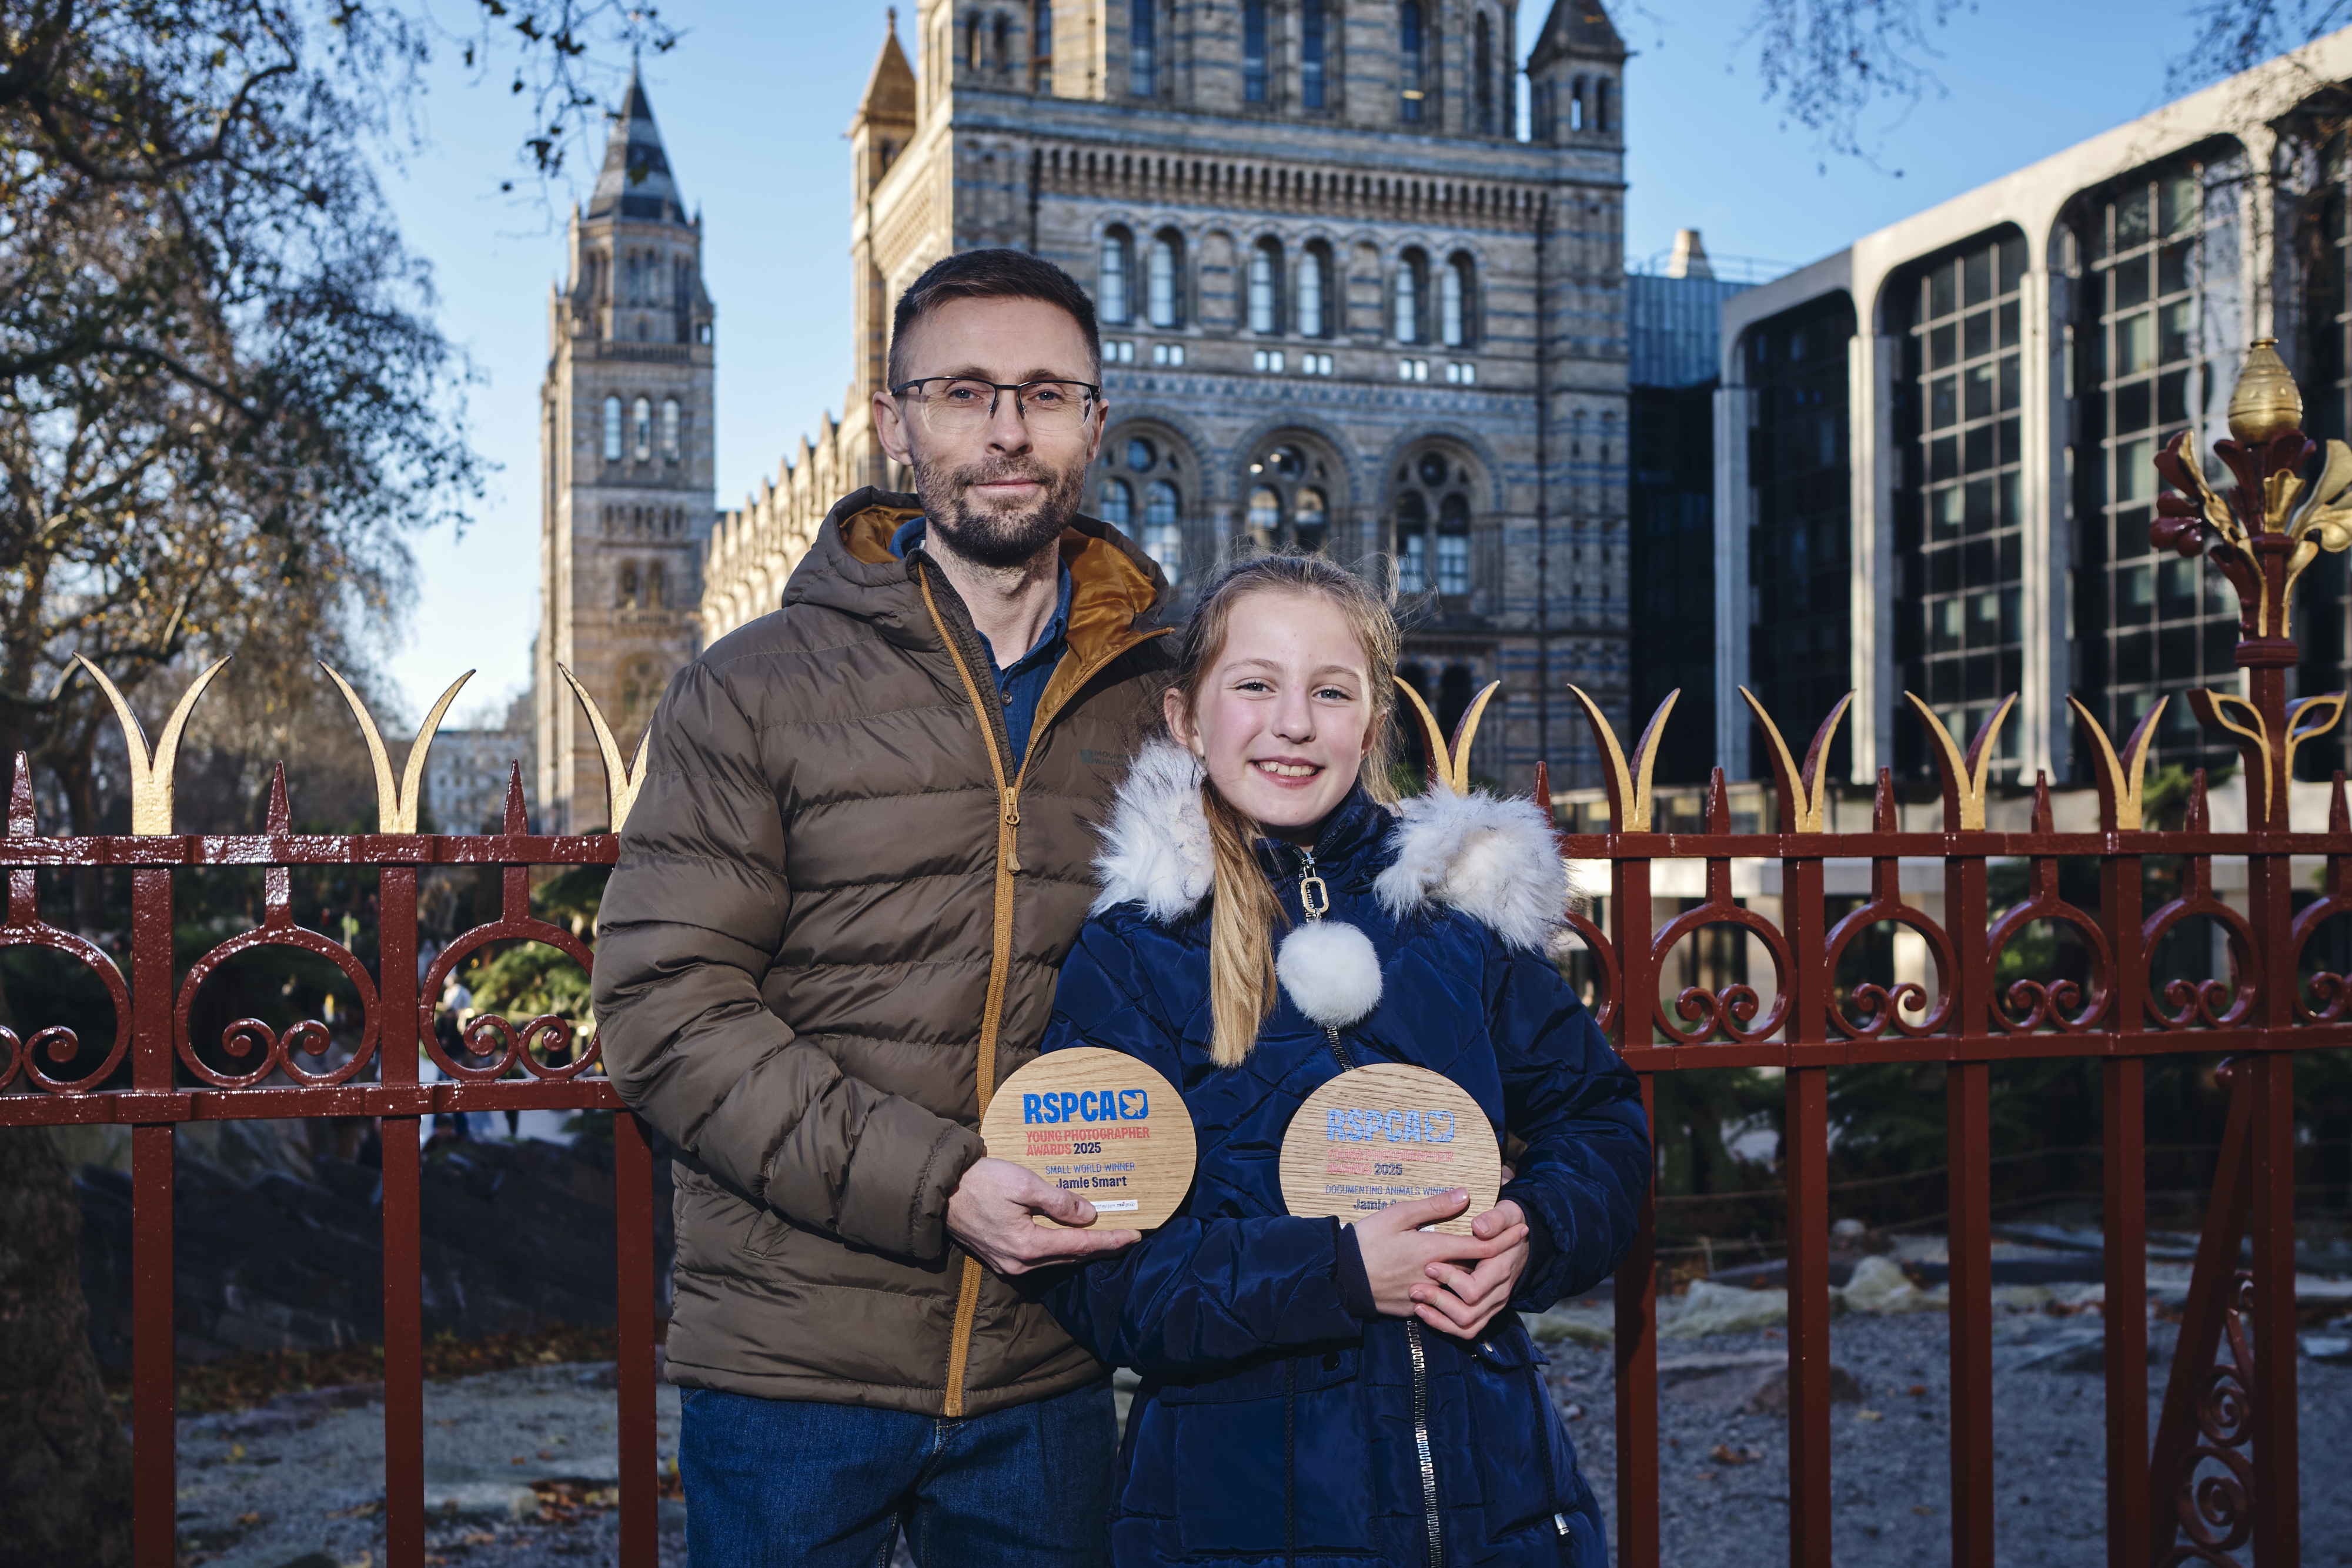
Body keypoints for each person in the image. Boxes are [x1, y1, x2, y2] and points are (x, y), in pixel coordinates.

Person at [592, 248, 1175, 1566]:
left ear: (1095, 420)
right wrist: (944, 1184)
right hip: (794, 1375)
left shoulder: (1163, 700)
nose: (1006, 430)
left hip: (1056, 1364)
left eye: (1045, 392)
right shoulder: (749, 684)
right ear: (894, 418)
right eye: (964, 390)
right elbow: (663, 1010)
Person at [1035, 553, 1649, 1567]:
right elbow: (1106, 1276)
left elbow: (1603, 1126)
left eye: (1331, 691)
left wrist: (1530, 1232)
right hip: (1240, 1516)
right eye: (1256, 686)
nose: (1293, 722)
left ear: (1371, 724)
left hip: (1493, 1502)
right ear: (1188, 719)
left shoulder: (1459, 918)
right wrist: (1342, 1272)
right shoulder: (1134, 953)